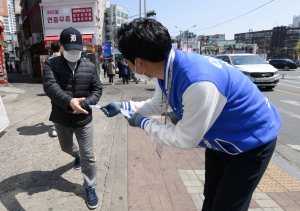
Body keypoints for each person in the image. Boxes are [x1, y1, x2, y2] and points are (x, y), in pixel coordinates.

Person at [100, 19, 282, 211]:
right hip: (219, 140)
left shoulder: (198, 83)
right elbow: (157, 104)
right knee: (210, 198)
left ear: (139, 62)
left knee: (228, 206)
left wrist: (143, 123)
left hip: (251, 140)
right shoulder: (169, 67)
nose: (126, 65)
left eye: (126, 61)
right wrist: (122, 106)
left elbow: (185, 139)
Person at [43, 27, 102, 209]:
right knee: (65, 147)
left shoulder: (90, 66)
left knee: (88, 156)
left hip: (83, 119)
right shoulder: (50, 65)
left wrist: (83, 105)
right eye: (70, 50)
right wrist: (70, 102)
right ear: (60, 46)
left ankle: (90, 186)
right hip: (61, 118)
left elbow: (97, 89)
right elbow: (50, 87)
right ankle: (76, 156)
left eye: (78, 49)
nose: (75, 53)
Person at [47, 41, 62, 137]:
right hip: (65, 86)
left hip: (55, 87)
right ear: (60, 47)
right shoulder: (65, 58)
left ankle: (56, 128)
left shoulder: (49, 60)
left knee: (56, 106)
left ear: (51, 49)